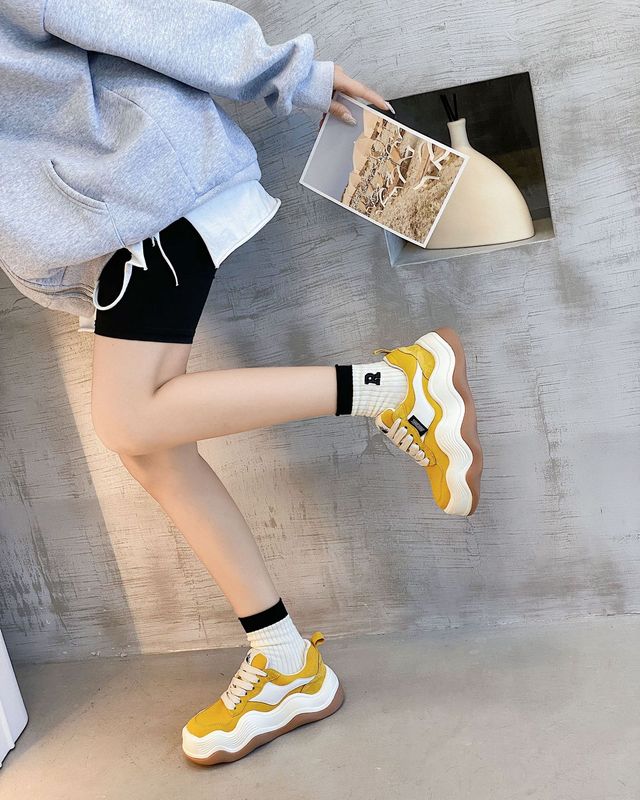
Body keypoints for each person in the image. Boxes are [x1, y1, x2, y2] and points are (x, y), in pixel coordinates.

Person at [0, 0, 483, 765]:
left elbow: (126, 11)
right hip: (107, 221)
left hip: (141, 189)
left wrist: (292, 74)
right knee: (151, 450)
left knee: (128, 420)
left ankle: (396, 387)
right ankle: (285, 662)